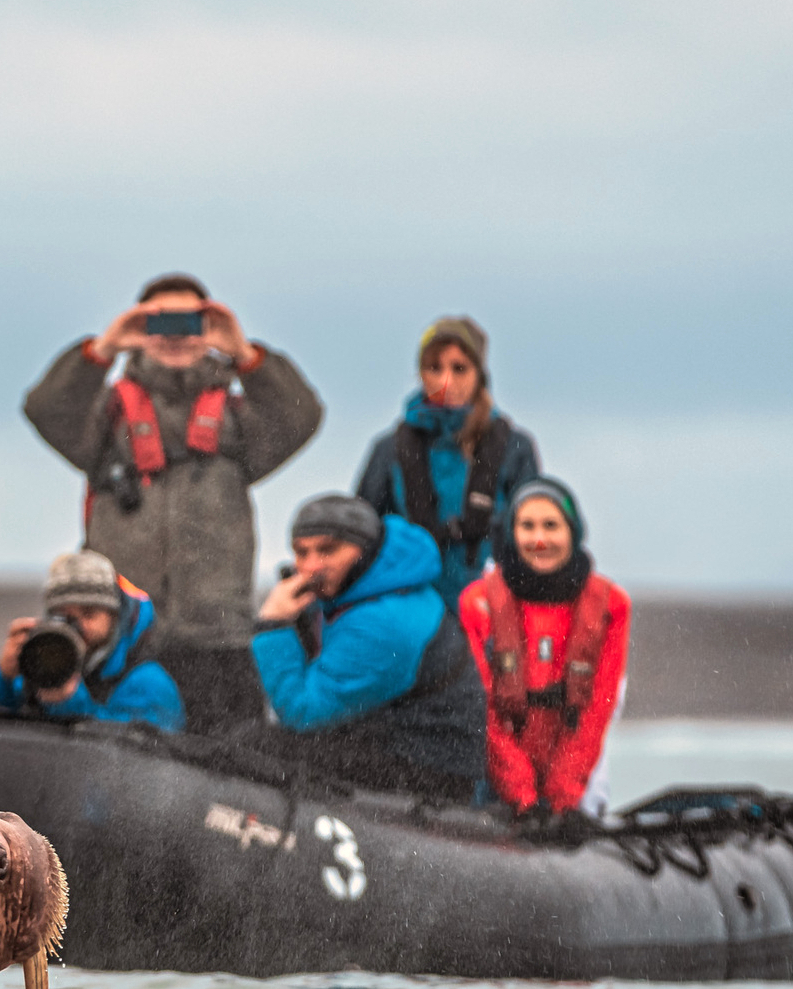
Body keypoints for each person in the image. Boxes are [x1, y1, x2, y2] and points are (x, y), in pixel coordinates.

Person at [23, 273, 324, 733]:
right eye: (158, 322)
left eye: (191, 321)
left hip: (219, 636)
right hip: (123, 642)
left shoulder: (236, 416)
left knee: (231, 771)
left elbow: (302, 416)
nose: (176, 335)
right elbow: (46, 410)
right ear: (136, 328)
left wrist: (245, 354)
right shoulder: (106, 415)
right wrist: (103, 349)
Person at [250, 495, 487, 802]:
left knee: (259, 747)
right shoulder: (375, 587)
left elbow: (300, 713)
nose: (310, 567)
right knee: (257, 741)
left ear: (365, 550)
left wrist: (273, 626)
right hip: (403, 737)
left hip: (434, 772)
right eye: (301, 552)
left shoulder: (382, 622)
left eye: (327, 550)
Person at [458, 477, 630, 817]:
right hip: (495, 777)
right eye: (527, 526)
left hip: (579, 775)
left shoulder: (612, 605)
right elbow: (484, 710)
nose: (540, 539)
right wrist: (521, 795)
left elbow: (598, 706)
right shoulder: (477, 603)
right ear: (512, 531)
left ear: (573, 531)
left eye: (551, 526)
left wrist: (562, 795)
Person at [355, 316, 541, 609]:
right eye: (434, 368)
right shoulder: (388, 450)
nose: (446, 381)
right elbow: (361, 536)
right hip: (411, 610)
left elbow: (533, 541)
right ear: (420, 374)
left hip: (492, 609)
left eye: (459, 368)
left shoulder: (515, 447)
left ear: (479, 373)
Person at [0, 550, 185, 731]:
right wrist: (2, 677)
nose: (79, 627)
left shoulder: (148, 682)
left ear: (116, 617)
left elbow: (139, 762)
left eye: (89, 614)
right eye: (65, 617)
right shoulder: (39, 673)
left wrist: (68, 704)